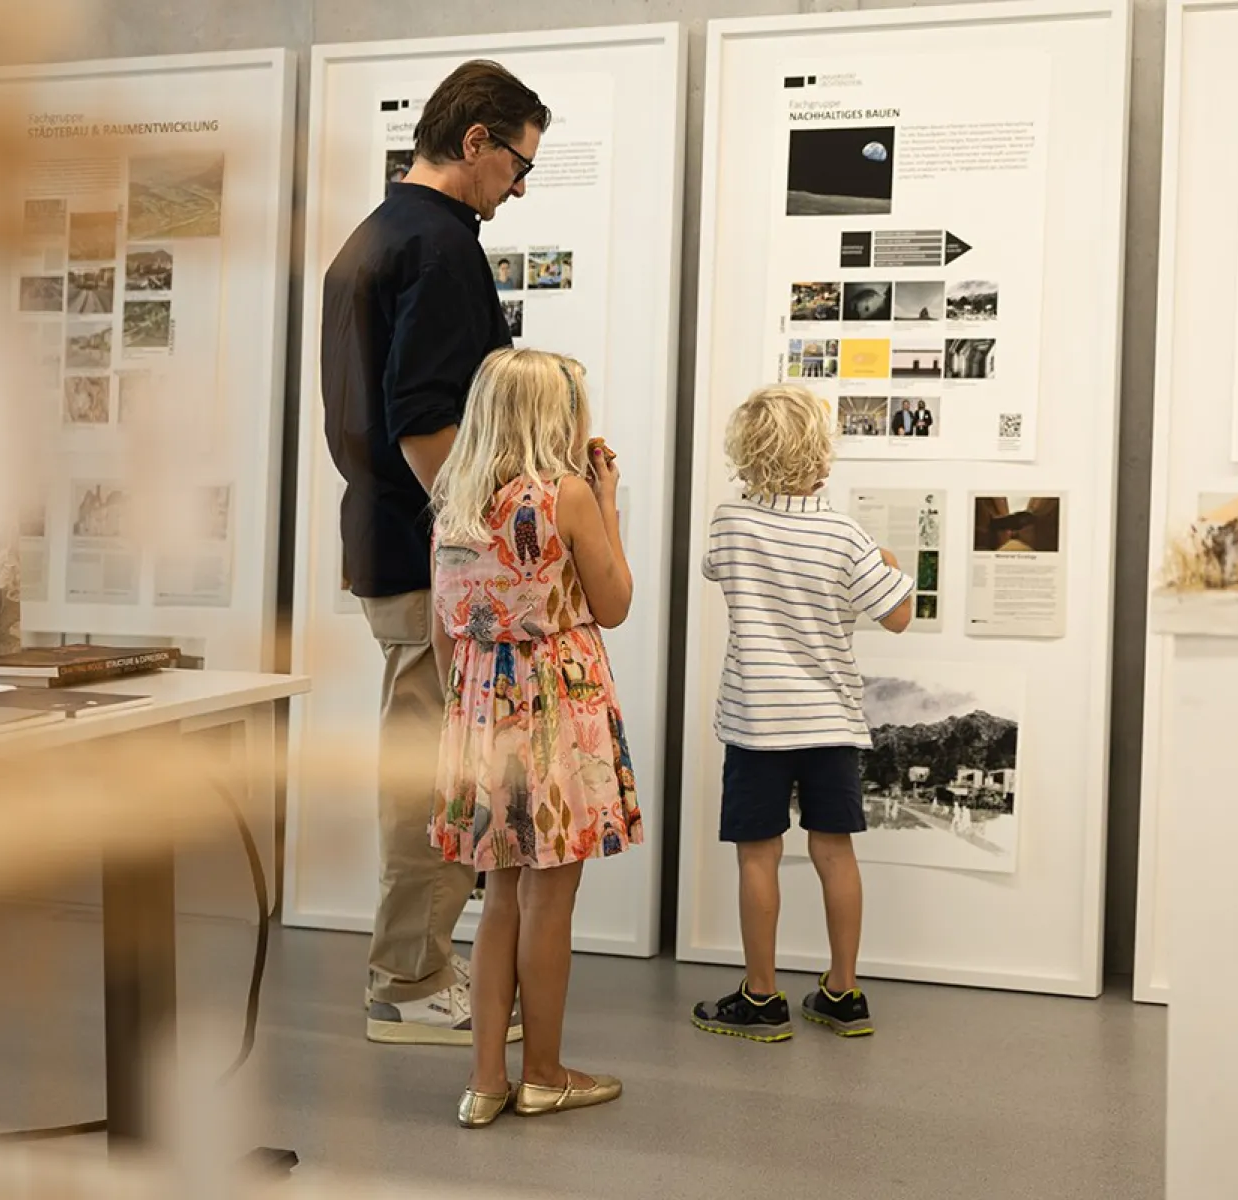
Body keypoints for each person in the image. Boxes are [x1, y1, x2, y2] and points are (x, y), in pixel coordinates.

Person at [320, 59, 549, 1047]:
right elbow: (423, 420)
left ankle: (414, 964)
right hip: (429, 562)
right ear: (474, 142)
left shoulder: (377, 235)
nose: (520, 185)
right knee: (434, 775)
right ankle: (408, 984)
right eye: (518, 163)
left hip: (386, 541)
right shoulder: (443, 248)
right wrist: (482, 548)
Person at [429, 348, 641, 1127]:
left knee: (499, 900)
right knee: (552, 900)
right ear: (557, 417)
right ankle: (545, 1074)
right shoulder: (568, 495)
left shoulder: (455, 500)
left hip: (482, 705)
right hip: (558, 706)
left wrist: (470, 714)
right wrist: (608, 501)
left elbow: (445, 632)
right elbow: (613, 602)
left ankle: (485, 1081)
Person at [691, 385, 914, 1043]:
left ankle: (762, 998)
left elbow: (714, 570)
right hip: (830, 723)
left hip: (756, 723)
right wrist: (889, 563)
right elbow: (898, 616)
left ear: (747, 455)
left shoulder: (730, 522)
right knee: (834, 851)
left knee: (757, 857)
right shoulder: (845, 534)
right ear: (821, 455)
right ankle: (843, 992)